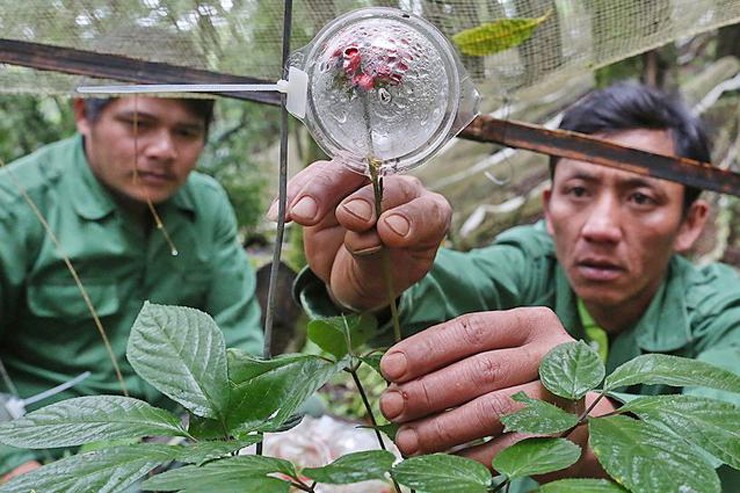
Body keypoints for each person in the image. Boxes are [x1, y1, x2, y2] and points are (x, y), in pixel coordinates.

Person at [279, 82, 739, 486]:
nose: (600, 226)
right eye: (579, 191)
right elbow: (445, 287)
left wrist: (602, 438)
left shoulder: (726, 314)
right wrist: (371, 284)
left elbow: (724, 440)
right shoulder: (529, 265)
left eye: (641, 198)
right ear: (548, 205)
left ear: (691, 223)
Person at [0, 96, 263, 479]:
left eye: (186, 132)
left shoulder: (207, 204)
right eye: (138, 125)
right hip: (51, 444)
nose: (163, 150)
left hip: (183, 433)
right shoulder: (17, 204)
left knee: (317, 422)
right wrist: (15, 469)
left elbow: (240, 340)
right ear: (83, 116)